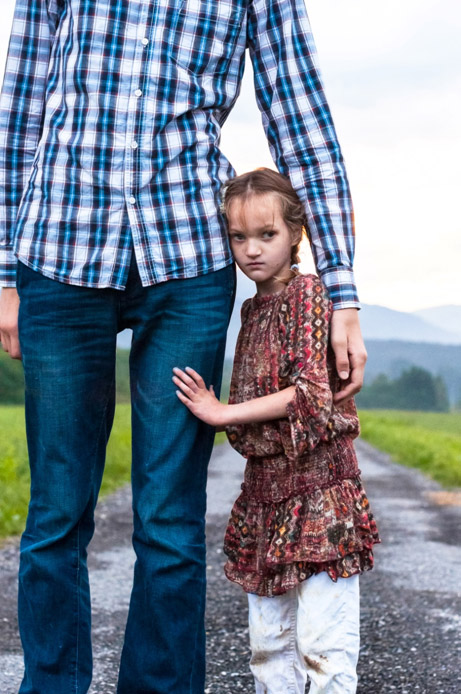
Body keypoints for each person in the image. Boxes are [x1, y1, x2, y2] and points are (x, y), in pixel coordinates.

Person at [0, 2, 367, 692]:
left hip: (186, 259)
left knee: (168, 519)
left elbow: (300, 111)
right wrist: (1, 269)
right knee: (54, 514)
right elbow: (19, 103)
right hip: (58, 251)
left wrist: (340, 292)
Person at [173, 168, 380, 694]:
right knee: (268, 647)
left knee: (322, 646)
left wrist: (221, 413)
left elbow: (308, 394)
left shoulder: (308, 295)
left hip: (318, 493)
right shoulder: (253, 307)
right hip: (266, 493)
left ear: (296, 235)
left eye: (267, 235)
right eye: (239, 236)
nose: (251, 250)